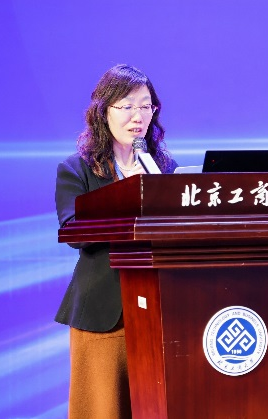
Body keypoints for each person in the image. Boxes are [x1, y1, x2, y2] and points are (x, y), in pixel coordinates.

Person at [54, 64, 177, 419]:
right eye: (127, 106)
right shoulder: (76, 169)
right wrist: (125, 194)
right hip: (105, 314)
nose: (138, 116)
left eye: (146, 106)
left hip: (162, 311)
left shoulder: (163, 168)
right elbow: (73, 231)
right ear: (103, 111)